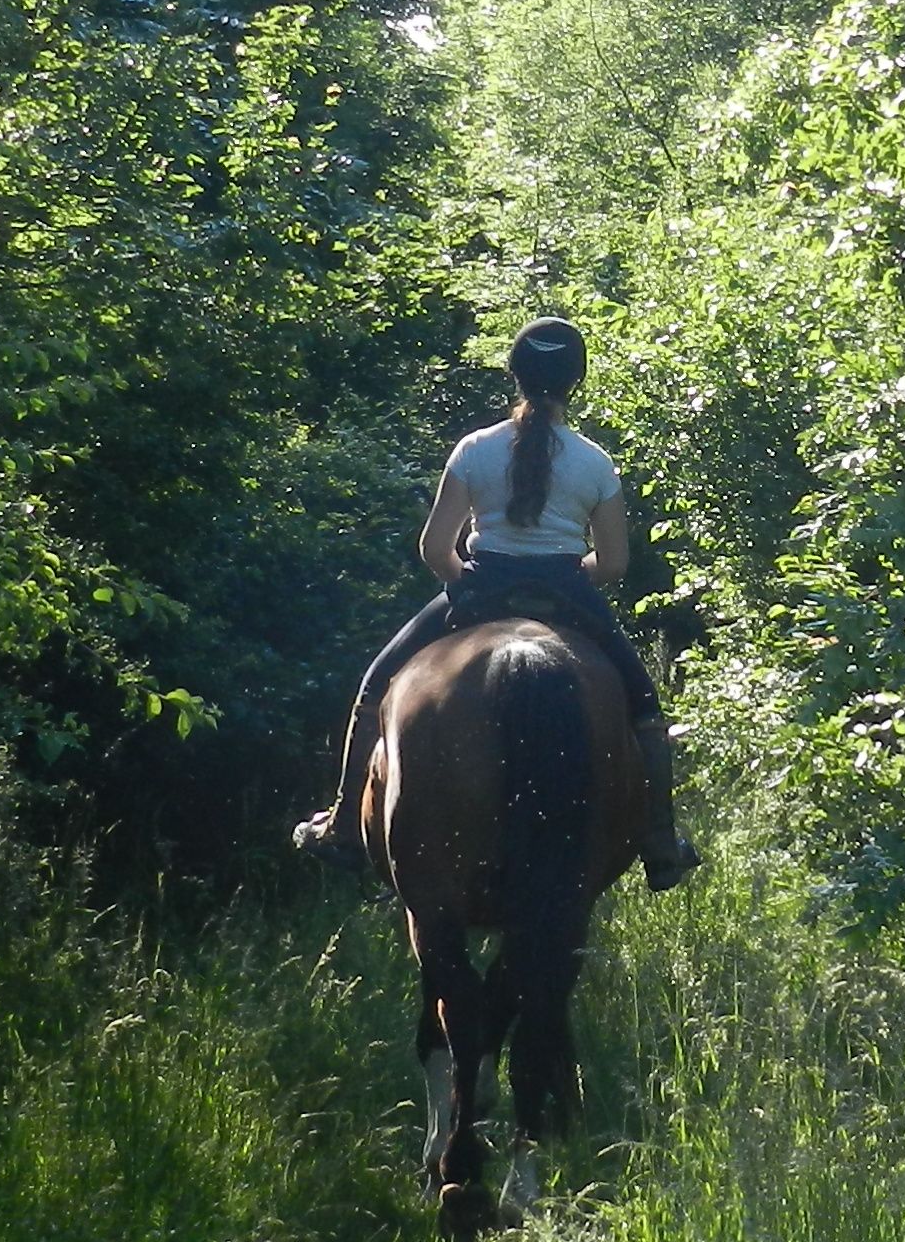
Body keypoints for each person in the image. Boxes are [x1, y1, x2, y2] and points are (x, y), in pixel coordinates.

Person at [294, 317, 700, 890]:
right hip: (568, 591)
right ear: (575, 381)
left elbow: (436, 548)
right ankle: (659, 841)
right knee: (644, 709)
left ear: (515, 374)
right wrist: (572, 574)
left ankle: (341, 827)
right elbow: (612, 565)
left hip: (482, 585)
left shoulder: (474, 450)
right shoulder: (593, 462)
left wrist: (467, 586)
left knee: (376, 685)